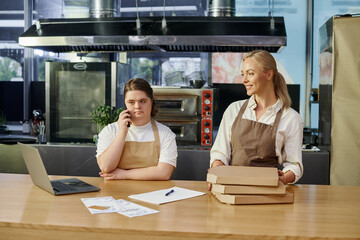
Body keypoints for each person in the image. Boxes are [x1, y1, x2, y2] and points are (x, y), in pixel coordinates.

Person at [209, 50, 303, 188]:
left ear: (269, 74)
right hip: (233, 187)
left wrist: (285, 177)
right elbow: (220, 153)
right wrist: (217, 171)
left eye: (250, 73)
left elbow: (294, 165)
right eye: (243, 74)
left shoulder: (291, 118)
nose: (244, 80)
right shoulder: (233, 110)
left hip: (268, 190)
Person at [96, 78, 177, 180]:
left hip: (154, 193)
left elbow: (164, 173)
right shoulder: (110, 131)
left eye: (142, 101)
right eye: (131, 102)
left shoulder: (165, 133)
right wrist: (122, 133)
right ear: (125, 104)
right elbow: (106, 167)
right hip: (116, 192)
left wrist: (123, 175)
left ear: (151, 102)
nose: (137, 106)